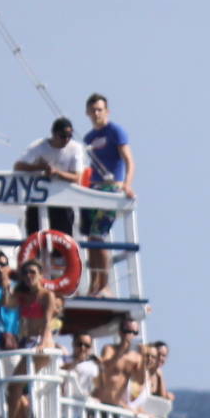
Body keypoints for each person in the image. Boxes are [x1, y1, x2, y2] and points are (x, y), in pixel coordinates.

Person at [80, 94, 133, 296]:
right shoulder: (88, 138)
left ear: (106, 111)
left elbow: (129, 160)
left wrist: (126, 185)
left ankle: (105, 285)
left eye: (100, 110)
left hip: (111, 188)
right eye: (93, 110)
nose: (96, 114)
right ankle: (95, 283)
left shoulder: (115, 132)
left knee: (99, 235)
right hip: (93, 190)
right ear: (87, 113)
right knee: (90, 239)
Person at [13, 116, 86, 237]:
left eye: (69, 136)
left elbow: (77, 177)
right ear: (54, 134)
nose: (66, 139)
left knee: (63, 237)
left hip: (63, 200)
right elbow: (18, 166)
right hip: (37, 199)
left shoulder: (75, 148)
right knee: (35, 235)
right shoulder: (39, 146)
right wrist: (40, 167)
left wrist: (57, 172)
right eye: (63, 136)